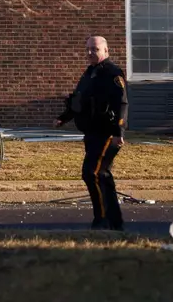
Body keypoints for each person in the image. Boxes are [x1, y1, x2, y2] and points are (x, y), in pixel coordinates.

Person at [54, 35, 128, 231]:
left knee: (92, 172)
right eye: (87, 49)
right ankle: (114, 221)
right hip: (91, 131)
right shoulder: (89, 73)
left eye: (94, 49)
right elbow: (79, 101)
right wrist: (64, 117)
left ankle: (102, 219)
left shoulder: (113, 73)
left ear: (105, 51)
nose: (90, 53)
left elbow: (121, 103)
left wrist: (119, 131)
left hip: (107, 132)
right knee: (101, 175)